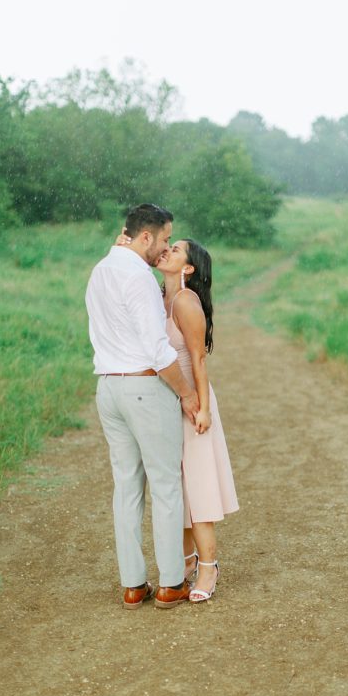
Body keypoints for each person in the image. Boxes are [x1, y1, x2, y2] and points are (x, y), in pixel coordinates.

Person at [115, 231, 239, 603]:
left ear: (188, 267)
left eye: (175, 250)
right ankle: (184, 563)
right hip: (166, 402)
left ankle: (208, 567)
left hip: (191, 402)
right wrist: (123, 247)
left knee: (198, 488)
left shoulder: (185, 301)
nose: (166, 251)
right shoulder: (158, 294)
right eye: (167, 245)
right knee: (177, 488)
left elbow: (198, 359)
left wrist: (202, 406)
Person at [85, 203, 197, 609]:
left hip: (109, 390)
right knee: (166, 486)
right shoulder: (139, 277)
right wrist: (186, 393)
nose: (165, 246)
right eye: (165, 238)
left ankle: (133, 584)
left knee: (127, 487)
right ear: (146, 237)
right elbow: (156, 348)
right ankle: (170, 583)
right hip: (144, 389)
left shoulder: (101, 270)